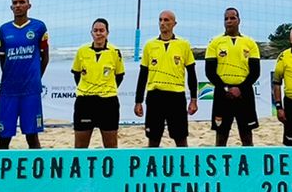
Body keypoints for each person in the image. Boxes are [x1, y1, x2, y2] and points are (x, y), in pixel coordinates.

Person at [134, 10, 198, 147]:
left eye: (166, 20)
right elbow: (143, 75)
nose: (162, 23)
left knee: (180, 138)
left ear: (174, 23)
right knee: (153, 138)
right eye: (160, 20)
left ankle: (183, 166)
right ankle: (153, 167)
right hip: (155, 96)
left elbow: (191, 73)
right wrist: (138, 101)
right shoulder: (150, 45)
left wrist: (193, 99)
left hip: (176, 96)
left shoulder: (183, 45)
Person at [0, 0, 50, 150]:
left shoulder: (39, 27)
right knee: (4, 138)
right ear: (11, 7)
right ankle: (0, 174)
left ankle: (38, 174)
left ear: (29, 5)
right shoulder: (4, 29)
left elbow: (45, 57)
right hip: (8, 90)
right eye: (15, 3)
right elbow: (2, 58)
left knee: (32, 137)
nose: (18, 5)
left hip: (30, 90)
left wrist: (35, 77)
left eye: (21, 2)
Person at [205, 7, 261, 146]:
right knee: (221, 134)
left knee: (247, 134)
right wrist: (226, 88)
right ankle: (219, 165)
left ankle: (249, 164)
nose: (229, 21)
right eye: (226, 18)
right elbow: (210, 72)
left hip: (244, 93)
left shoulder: (250, 43)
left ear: (239, 20)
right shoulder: (215, 43)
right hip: (222, 94)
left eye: (232, 18)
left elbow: (255, 72)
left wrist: (240, 88)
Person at [70, 18, 124, 149]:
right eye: (95, 30)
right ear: (91, 33)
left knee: (111, 147)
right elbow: (77, 74)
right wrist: (88, 88)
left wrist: (105, 89)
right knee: (80, 147)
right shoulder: (82, 51)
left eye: (101, 30)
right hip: (85, 102)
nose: (98, 33)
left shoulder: (115, 52)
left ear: (107, 33)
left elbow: (119, 76)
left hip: (108, 103)